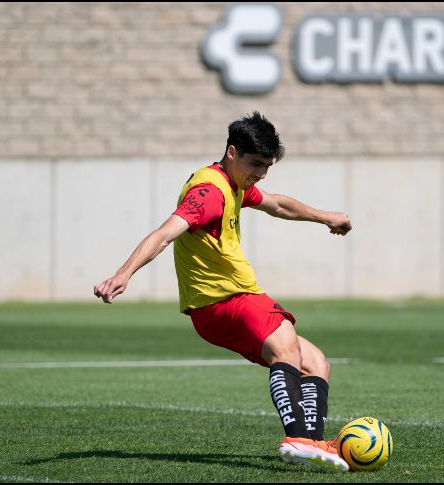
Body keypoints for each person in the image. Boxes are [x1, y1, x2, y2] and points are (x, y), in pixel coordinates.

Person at [94, 112, 353, 473]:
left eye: (266, 167)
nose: (261, 174)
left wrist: (324, 216)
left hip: (225, 303)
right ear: (232, 152)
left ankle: (311, 443)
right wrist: (124, 273)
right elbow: (165, 233)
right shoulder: (209, 192)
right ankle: (297, 438)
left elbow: (277, 204)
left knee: (316, 363)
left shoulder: (235, 183)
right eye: (255, 164)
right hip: (224, 299)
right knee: (286, 343)